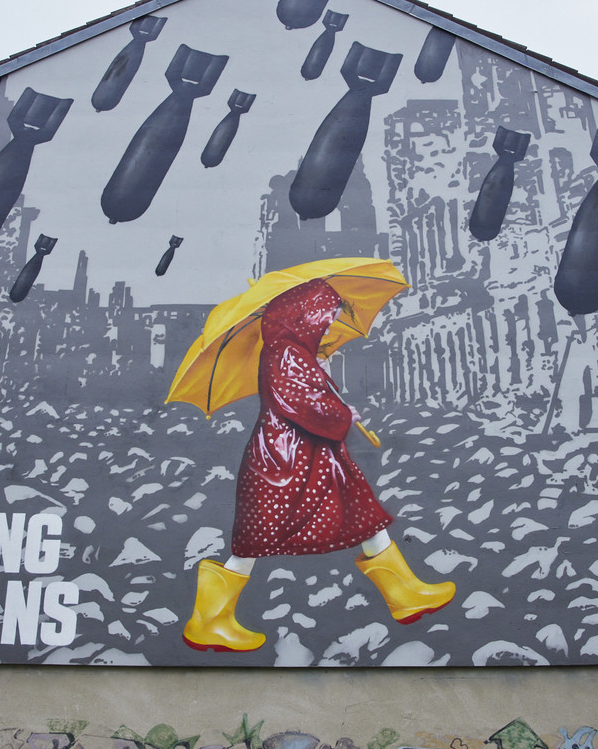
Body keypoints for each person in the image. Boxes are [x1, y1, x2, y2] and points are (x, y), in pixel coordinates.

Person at [183, 278, 455, 652]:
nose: (328, 324)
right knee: (255, 540)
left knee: (362, 515)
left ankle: (406, 593)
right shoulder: (286, 353)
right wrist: (341, 410)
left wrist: (325, 381)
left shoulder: (295, 351)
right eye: (324, 317)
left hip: (308, 458)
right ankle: (209, 621)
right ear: (303, 317)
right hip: (285, 464)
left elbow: (307, 397)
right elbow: (303, 405)